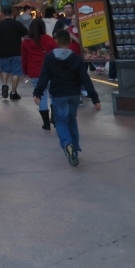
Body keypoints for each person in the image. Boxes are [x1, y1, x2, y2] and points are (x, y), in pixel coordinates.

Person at [33, 29, 101, 166]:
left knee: (61, 121)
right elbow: (85, 79)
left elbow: (44, 77)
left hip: (58, 94)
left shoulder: (50, 57)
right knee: (72, 120)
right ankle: (74, 150)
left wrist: (38, 93)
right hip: (74, 94)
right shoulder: (76, 58)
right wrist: (95, 98)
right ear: (70, 41)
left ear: (56, 41)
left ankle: (67, 144)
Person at [21, 18, 56, 130]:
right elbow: (56, 55)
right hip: (50, 71)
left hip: (35, 71)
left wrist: (25, 72)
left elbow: (24, 59)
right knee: (53, 94)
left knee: (41, 96)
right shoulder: (49, 40)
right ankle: (54, 116)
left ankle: (46, 123)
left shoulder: (26, 42)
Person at [0, 8, 29, 100]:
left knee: (5, 70)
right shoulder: (17, 24)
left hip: (4, 51)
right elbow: (26, 34)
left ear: (3, 14)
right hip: (16, 51)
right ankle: (13, 92)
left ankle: (4, 85)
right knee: (16, 72)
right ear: (12, 14)